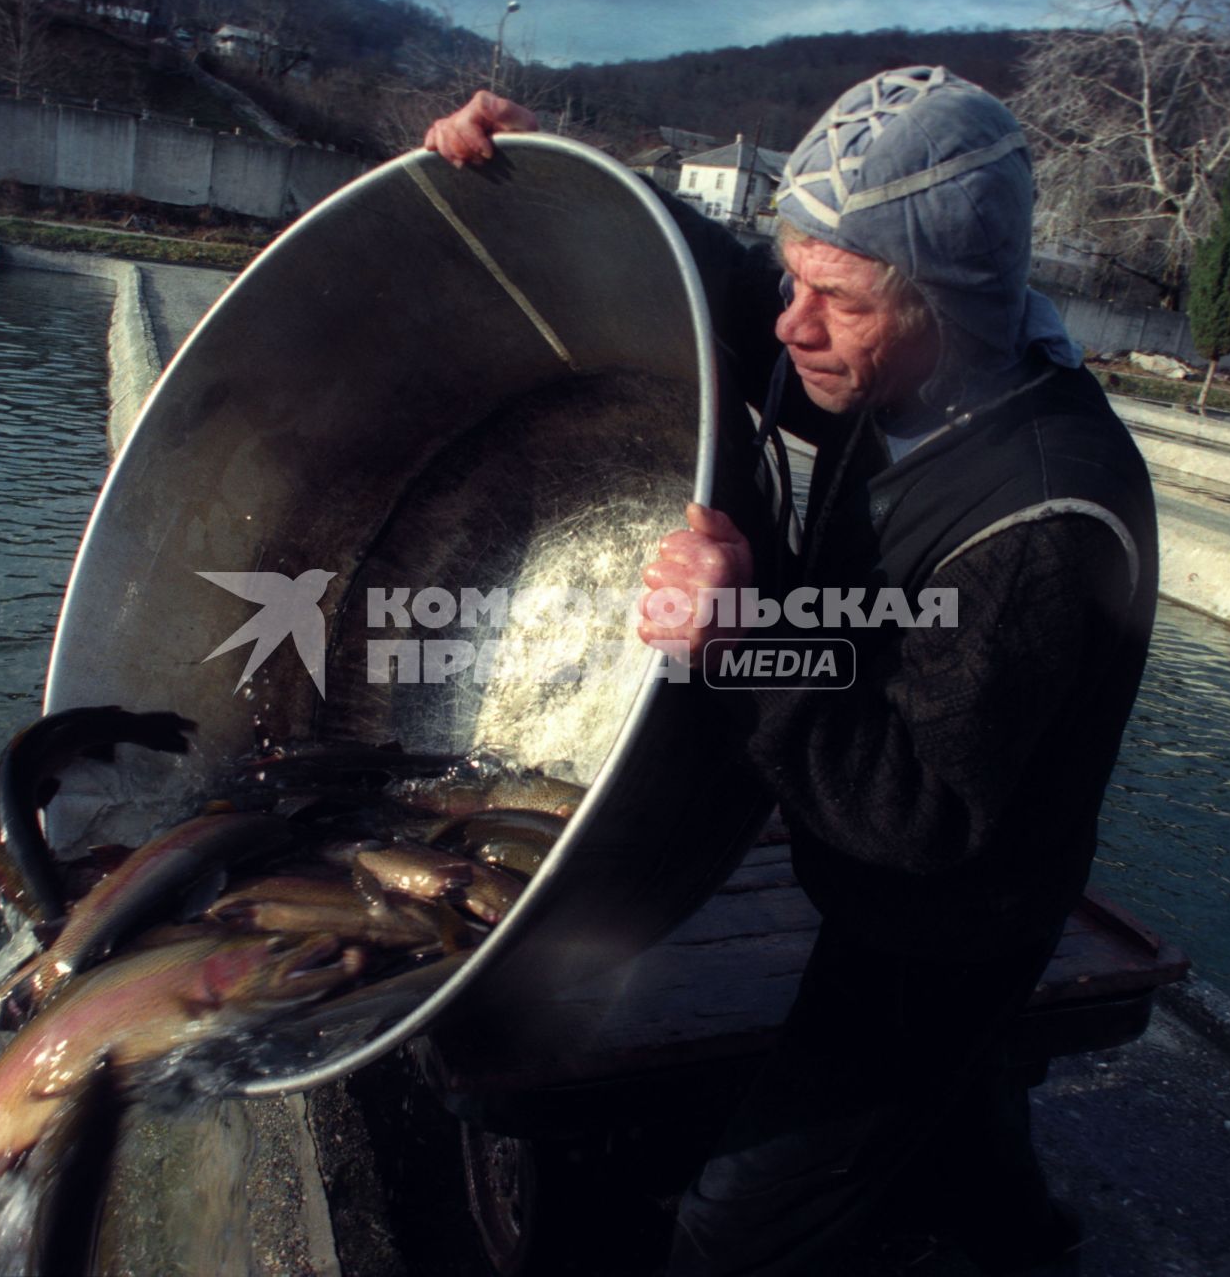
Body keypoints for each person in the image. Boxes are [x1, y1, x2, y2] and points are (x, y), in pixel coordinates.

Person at [428, 67, 1157, 1275]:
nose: (791, 323)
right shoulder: (925, 368)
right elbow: (736, 283)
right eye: (797, 276)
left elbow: (922, 813)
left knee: (737, 1223)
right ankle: (1023, 1240)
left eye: (838, 299)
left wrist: (742, 635)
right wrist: (544, 182)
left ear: (950, 303)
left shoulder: (1042, 517)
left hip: (938, 921)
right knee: (961, 1116)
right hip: (877, 865)